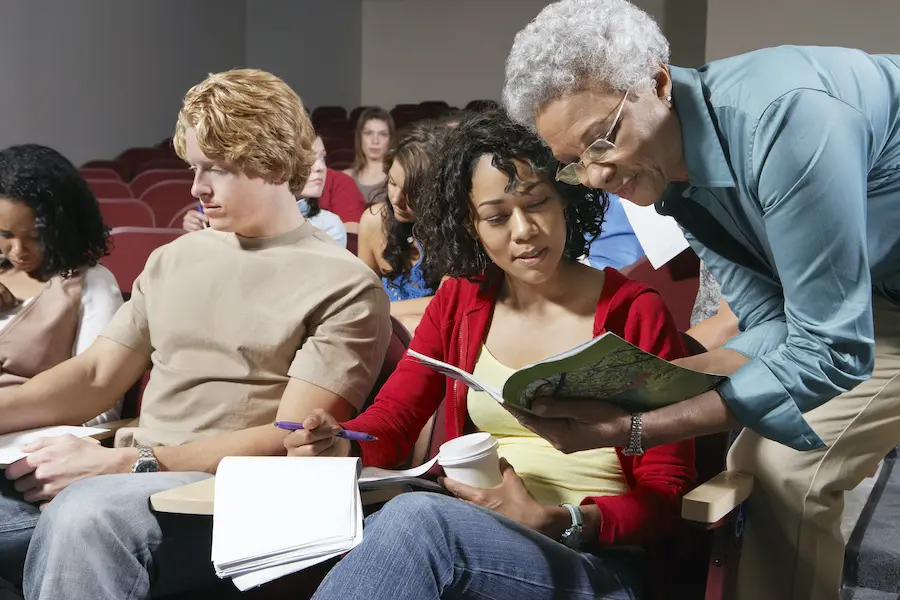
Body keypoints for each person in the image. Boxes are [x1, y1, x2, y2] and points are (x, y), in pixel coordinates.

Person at [503, 1, 900, 599]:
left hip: (867, 310)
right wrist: (630, 384)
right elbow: (774, 322)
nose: (595, 177)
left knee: (786, 465)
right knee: (766, 463)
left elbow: (829, 351)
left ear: (658, 82)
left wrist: (637, 426)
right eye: (572, 164)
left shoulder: (785, 118)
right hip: (875, 296)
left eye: (600, 141)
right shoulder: (671, 175)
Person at [0, 68, 391, 600]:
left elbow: (291, 435)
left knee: (84, 514)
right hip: (131, 480)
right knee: (82, 511)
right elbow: (95, 375)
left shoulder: (345, 283)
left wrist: (129, 464)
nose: (196, 187)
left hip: (224, 496)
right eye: (194, 166)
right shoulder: (173, 259)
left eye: (218, 169)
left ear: (272, 163)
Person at [287, 111, 696, 600]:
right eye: (497, 216)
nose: (524, 230)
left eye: (538, 203)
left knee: (418, 521)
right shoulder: (460, 300)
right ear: (471, 225)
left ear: (565, 199)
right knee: (405, 525)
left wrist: (563, 520)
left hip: (596, 563)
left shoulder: (633, 312)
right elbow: (395, 418)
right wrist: (343, 446)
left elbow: (667, 493)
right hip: (472, 544)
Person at [0, 144, 123, 425]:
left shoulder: (92, 284)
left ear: (63, 226)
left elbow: (101, 405)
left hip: (28, 447)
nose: (18, 250)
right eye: (5, 234)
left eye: (35, 235)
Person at [183, 136, 351, 247]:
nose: (321, 168)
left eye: (322, 158)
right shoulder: (234, 220)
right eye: (311, 159)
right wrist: (205, 235)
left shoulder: (328, 226)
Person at [357, 122, 443, 331]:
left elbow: (446, 305)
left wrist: (379, 311)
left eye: (411, 194)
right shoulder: (375, 221)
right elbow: (360, 297)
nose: (396, 199)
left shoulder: (454, 231)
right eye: (392, 183)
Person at [343, 107, 394, 205]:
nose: (375, 141)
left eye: (383, 134)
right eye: (368, 133)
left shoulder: (399, 180)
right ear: (360, 136)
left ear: (390, 139)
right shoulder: (345, 178)